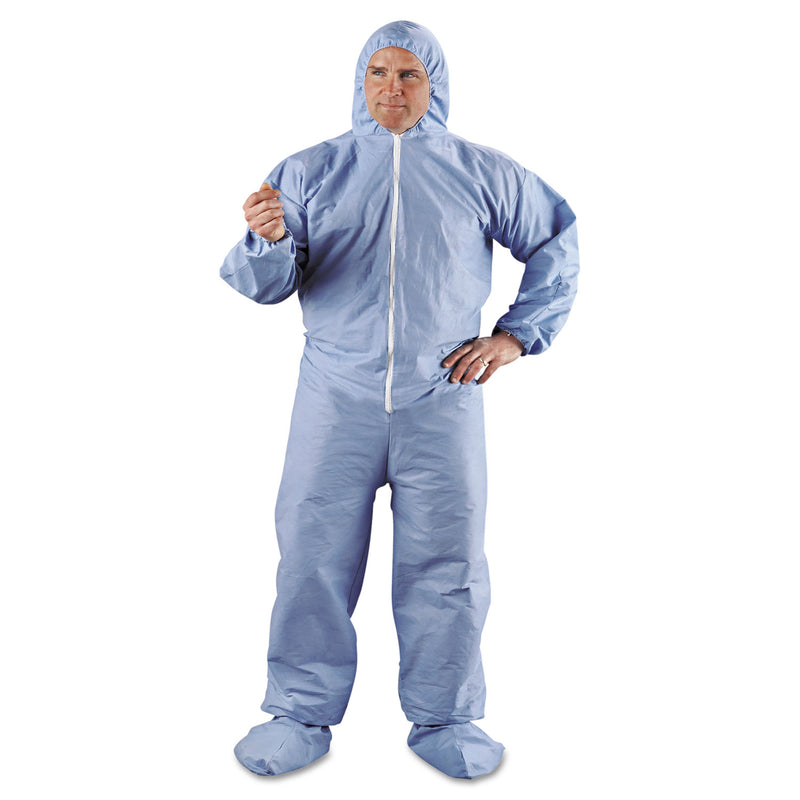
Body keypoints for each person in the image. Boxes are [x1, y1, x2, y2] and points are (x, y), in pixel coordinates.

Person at [220, 20, 579, 779]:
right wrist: (270, 239)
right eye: (378, 73)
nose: (392, 88)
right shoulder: (309, 171)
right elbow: (266, 286)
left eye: (409, 74)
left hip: (442, 396)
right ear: (360, 83)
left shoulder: (483, 173)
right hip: (334, 397)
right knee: (311, 557)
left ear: (434, 85)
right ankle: (298, 712)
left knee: (447, 563)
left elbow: (556, 239)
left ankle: (446, 717)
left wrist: (514, 337)